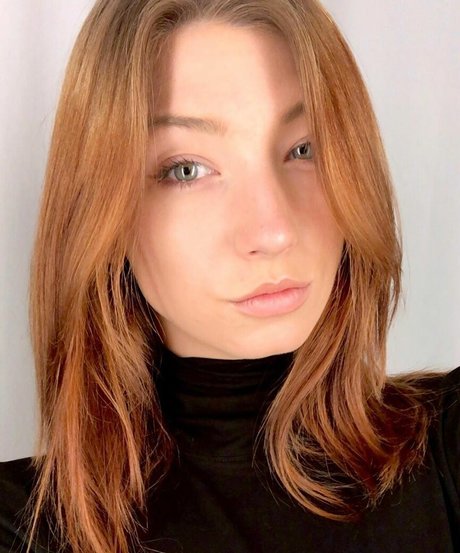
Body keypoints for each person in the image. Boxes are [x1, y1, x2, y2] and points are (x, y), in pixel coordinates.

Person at [0, 0, 459, 552]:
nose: (274, 231)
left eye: (304, 148)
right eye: (186, 169)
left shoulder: (445, 449)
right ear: (101, 210)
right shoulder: (23, 527)